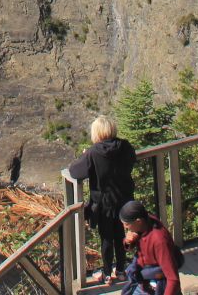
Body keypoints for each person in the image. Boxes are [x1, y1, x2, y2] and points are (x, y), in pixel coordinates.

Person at [68, 115, 136, 285]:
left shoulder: (93, 153)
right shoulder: (125, 146)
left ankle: (107, 273)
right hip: (125, 201)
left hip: (104, 204)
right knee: (121, 235)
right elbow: (132, 159)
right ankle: (120, 270)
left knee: (106, 238)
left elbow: (75, 172)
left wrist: (84, 156)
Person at [118, 199, 182, 295]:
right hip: (142, 280)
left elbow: (173, 279)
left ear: (138, 221)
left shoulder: (159, 240)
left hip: (159, 285)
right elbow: (130, 246)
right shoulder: (143, 223)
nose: (124, 227)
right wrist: (128, 241)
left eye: (126, 224)